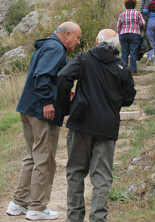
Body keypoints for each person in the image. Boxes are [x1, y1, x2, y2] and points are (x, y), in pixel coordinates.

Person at [56, 29, 136, 222]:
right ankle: (98, 218)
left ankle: (74, 217)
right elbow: (129, 98)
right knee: (102, 177)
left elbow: (63, 77)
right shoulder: (122, 67)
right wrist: (113, 103)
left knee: (75, 172)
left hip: (81, 122)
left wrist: (67, 106)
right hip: (107, 127)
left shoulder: (83, 59)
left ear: (96, 41)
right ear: (116, 45)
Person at [6, 22, 82, 221]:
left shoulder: (47, 46)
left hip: (28, 108)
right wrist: (48, 102)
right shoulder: (56, 48)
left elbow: (49, 77)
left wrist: (62, 90)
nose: (78, 42)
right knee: (44, 159)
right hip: (41, 111)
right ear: (67, 34)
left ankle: (18, 203)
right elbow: (42, 76)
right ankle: (37, 207)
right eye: (77, 38)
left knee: (32, 156)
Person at [117, 0, 146, 76]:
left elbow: (118, 26)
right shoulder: (137, 13)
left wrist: (119, 35)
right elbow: (143, 23)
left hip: (123, 34)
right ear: (134, 5)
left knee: (124, 53)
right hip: (134, 34)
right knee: (133, 53)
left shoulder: (122, 14)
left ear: (126, 6)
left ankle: (124, 72)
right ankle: (133, 71)